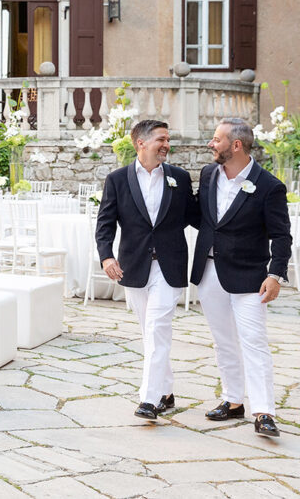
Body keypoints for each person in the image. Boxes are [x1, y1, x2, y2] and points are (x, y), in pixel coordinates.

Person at [191, 117, 292, 437]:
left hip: (250, 276)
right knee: (223, 341)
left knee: (254, 342)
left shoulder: (269, 186)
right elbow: (201, 218)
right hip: (209, 272)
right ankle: (233, 400)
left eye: (216, 139)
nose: (211, 143)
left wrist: (276, 274)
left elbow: (282, 236)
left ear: (236, 145)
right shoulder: (208, 174)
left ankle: (264, 412)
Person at [95, 119, 199, 420]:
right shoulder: (117, 179)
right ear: (141, 143)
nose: (167, 145)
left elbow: (196, 216)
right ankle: (166, 391)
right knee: (150, 332)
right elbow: (105, 223)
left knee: (156, 329)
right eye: (161, 139)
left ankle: (149, 400)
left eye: (167, 139)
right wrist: (106, 257)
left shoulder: (179, 177)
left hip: (170, 265)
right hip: (134, 267)